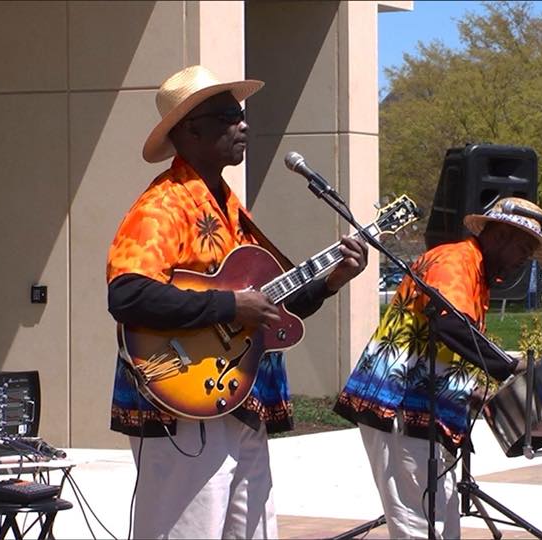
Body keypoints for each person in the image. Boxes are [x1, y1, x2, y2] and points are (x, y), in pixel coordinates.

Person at [106, 65, 368, 539]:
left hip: (235, 392)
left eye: (241, 115)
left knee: (252, 527)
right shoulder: (162, 206)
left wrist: (331, 281)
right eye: (228, 116)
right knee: (188, 528)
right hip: (181, 394)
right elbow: (127, 293)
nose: (243, 125)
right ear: (191, 129)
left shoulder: (229, 207)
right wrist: (229, 309)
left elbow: (268, 309)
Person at [334, 198, 542, 538]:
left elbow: (437, 343)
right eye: (524, 249)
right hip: (401, 406)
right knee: (419, 528)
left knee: (438, 527)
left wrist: (471, 391)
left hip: (423, 410)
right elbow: (450, 326)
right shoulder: (456, 260)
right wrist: (510, 365)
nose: (524, 261)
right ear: (500, 235)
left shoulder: (475, 271)